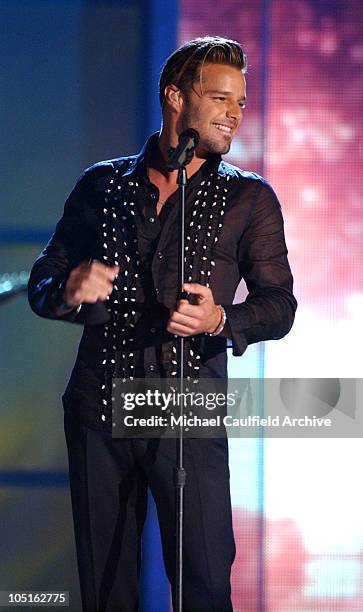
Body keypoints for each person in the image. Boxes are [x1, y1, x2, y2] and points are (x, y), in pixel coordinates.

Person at [28, 36, 297, 612]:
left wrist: (222, 318)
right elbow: (43, 281)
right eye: (221, 97)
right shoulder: (102, 185)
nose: (234, 113)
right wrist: (69, 288)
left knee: (203, 584)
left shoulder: (249, 199)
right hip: (99, 406)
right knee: (106, 587)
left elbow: (280, 305)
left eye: (242, 102)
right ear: (175, 96)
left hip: (187, 410)